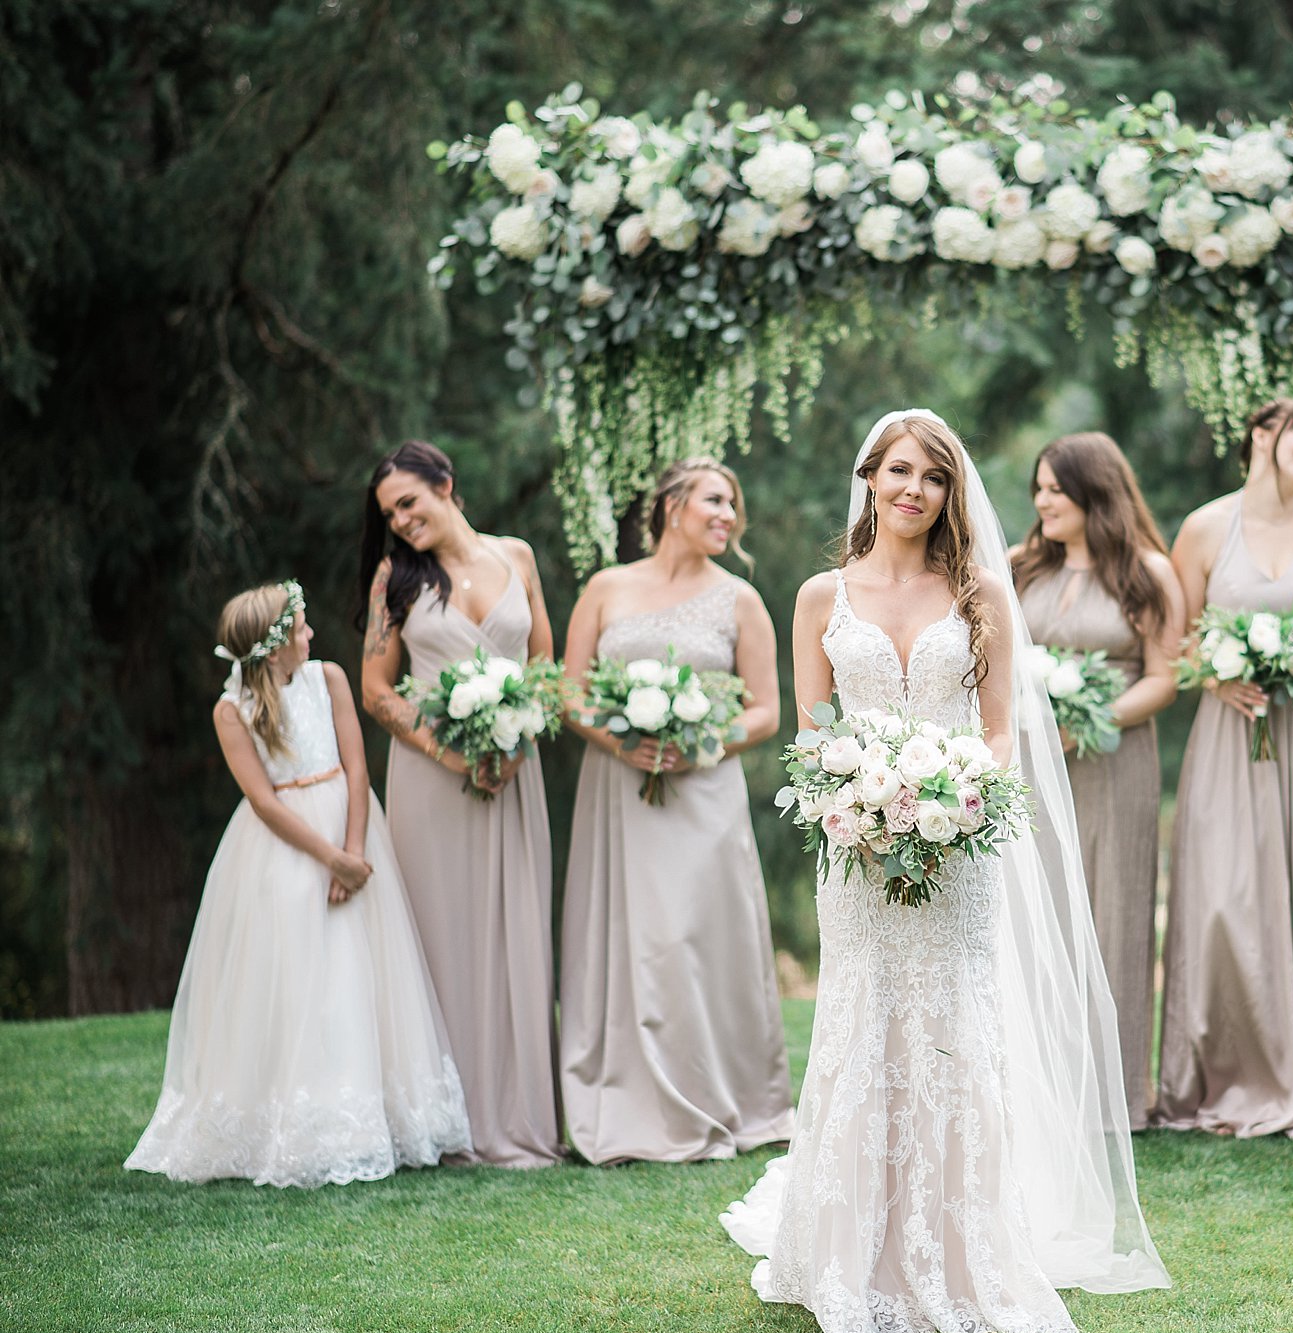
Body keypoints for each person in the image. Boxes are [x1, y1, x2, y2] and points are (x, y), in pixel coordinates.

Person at [721, 409, 1168, 1333]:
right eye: (898, 473)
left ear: (950, 493)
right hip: (855, 851)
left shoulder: (979, 595)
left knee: (953, 1030)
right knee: (862, 1023)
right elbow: (812, 729)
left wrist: (961, 798)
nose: (914, 490)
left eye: (932, 476)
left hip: (958, 847)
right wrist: (856, 802)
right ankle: (847, 1247)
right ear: (870, 480)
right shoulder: (818, 596)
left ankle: (961, 1250)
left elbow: (999, 729)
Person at [126, 582, 468, 1187]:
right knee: (300, 975)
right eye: (302, 629)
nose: (313, 636)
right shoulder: (231, 710)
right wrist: (328, 859)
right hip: (285, 848)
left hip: (352, 826)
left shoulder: (329, 678)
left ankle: (382, 1115)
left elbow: (358, 765)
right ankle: (298, 1117)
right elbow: (261, 799)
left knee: (364, 971)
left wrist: (355, 852)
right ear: (275, 644)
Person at [1157, 397, 1293, 1138]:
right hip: (1235, 726)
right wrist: (1217, 678)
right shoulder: (1204, 527)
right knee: (1231, 896)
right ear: (1260, 436)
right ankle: (1237, 1068)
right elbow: (1177, 641)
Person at [557, 457, 793, 1164]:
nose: (728, 516)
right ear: (670, 506)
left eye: (733, 506)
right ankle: (628, 1099)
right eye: (715, 501)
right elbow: (569, 692)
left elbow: (767, 711)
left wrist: (699, 745)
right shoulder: (606, 587)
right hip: (618, 786)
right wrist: (617, 738)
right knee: (631, 935)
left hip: (703, 790)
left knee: (693, 938)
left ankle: (726, 1094)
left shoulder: (739, 600)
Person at [357, 439, 562, 1167]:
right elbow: (376, 690)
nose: (402, 521)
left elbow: (543, 663)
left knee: (515, 926)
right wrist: (453, 756)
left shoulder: (519, 557)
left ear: (446, 485)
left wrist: (517, 736)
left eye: (409, 502)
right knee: (440, 931)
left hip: (514, 768)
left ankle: (518, 1115)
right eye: (390, 513)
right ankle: (444, 1122)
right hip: (432, 776)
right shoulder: (395, 579)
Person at [1012, 433, 1185, 1130]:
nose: (1041, 500)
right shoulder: (1020, 567)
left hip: (1115, 760)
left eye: (1056, 488)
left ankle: (1114, 1094)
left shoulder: (1147, 573)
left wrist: (1088, 722)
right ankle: (1035, 1084)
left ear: (1094, 492)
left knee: (1111, 907)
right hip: (1028, 762)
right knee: (1034, 910)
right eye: (1040, 488)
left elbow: (1164, 680)